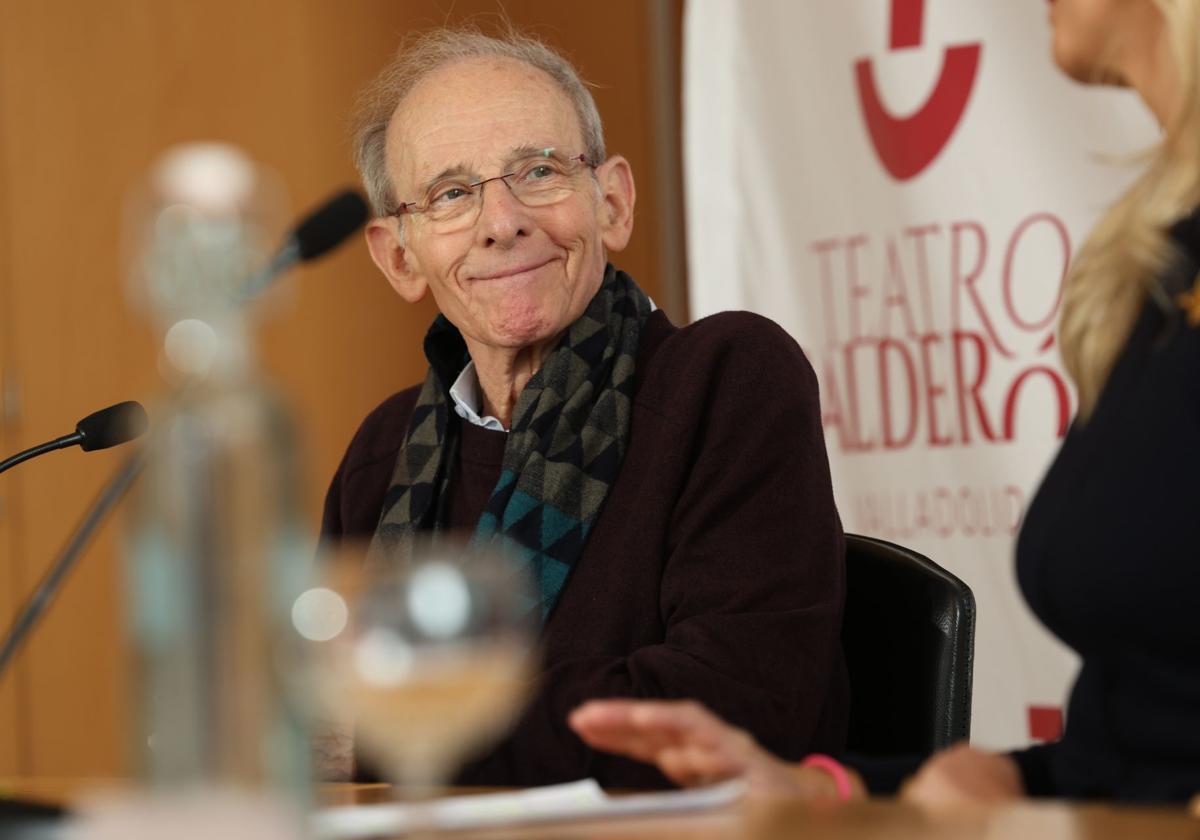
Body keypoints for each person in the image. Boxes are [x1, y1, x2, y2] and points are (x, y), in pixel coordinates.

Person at [569, 0, 1200, 806]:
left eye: (541, 172)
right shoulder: (1155, 261)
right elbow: (1138, 748)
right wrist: (837, 788)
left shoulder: (731, 373)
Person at [319, 26, 849, 789]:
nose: (502, 222)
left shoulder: (727, 382)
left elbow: (730, 713)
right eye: (452, 194)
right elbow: (307, 725)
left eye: (538, 171)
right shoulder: (383, 457)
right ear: (400, 256)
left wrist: (399, 729)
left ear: (613, 203)